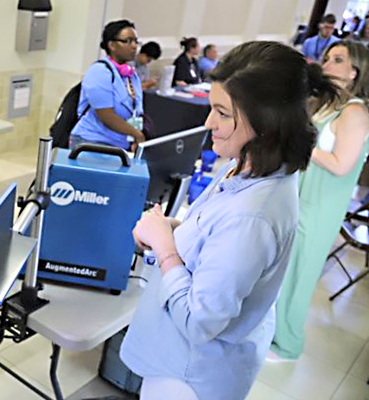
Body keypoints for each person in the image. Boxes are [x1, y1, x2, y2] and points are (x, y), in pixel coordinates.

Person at [121, 41, 340, 400]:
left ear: (265, 120)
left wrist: (165, 249)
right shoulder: (254, 168)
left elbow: (200, 321)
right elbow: (223, 244)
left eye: (222, 113)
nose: (209, 123)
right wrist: (177, 230)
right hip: (185, 363)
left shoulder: (254, 214)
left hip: (189, 377)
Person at [272, 40, 369, 361]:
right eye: (327, 57)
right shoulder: (329, 105)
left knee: (301, 274)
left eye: (337, 59)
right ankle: (271, 334)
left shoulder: (356, 112)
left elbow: (342, 164)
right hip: (301, 195)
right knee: (284, 269)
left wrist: (301, 143)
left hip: (321, 204)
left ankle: (288, 345)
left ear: (355, 71)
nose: (326, 63)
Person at [69, 19, 145, 151]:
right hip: (93, 141)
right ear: (112, 45)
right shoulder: (100, 72)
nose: (134, 46)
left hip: (120, 144)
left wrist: (134, 138)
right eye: (127, 41)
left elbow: (135, 111)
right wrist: (136, 134)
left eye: (135, 41)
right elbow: (106, 115)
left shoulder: (131, 75)